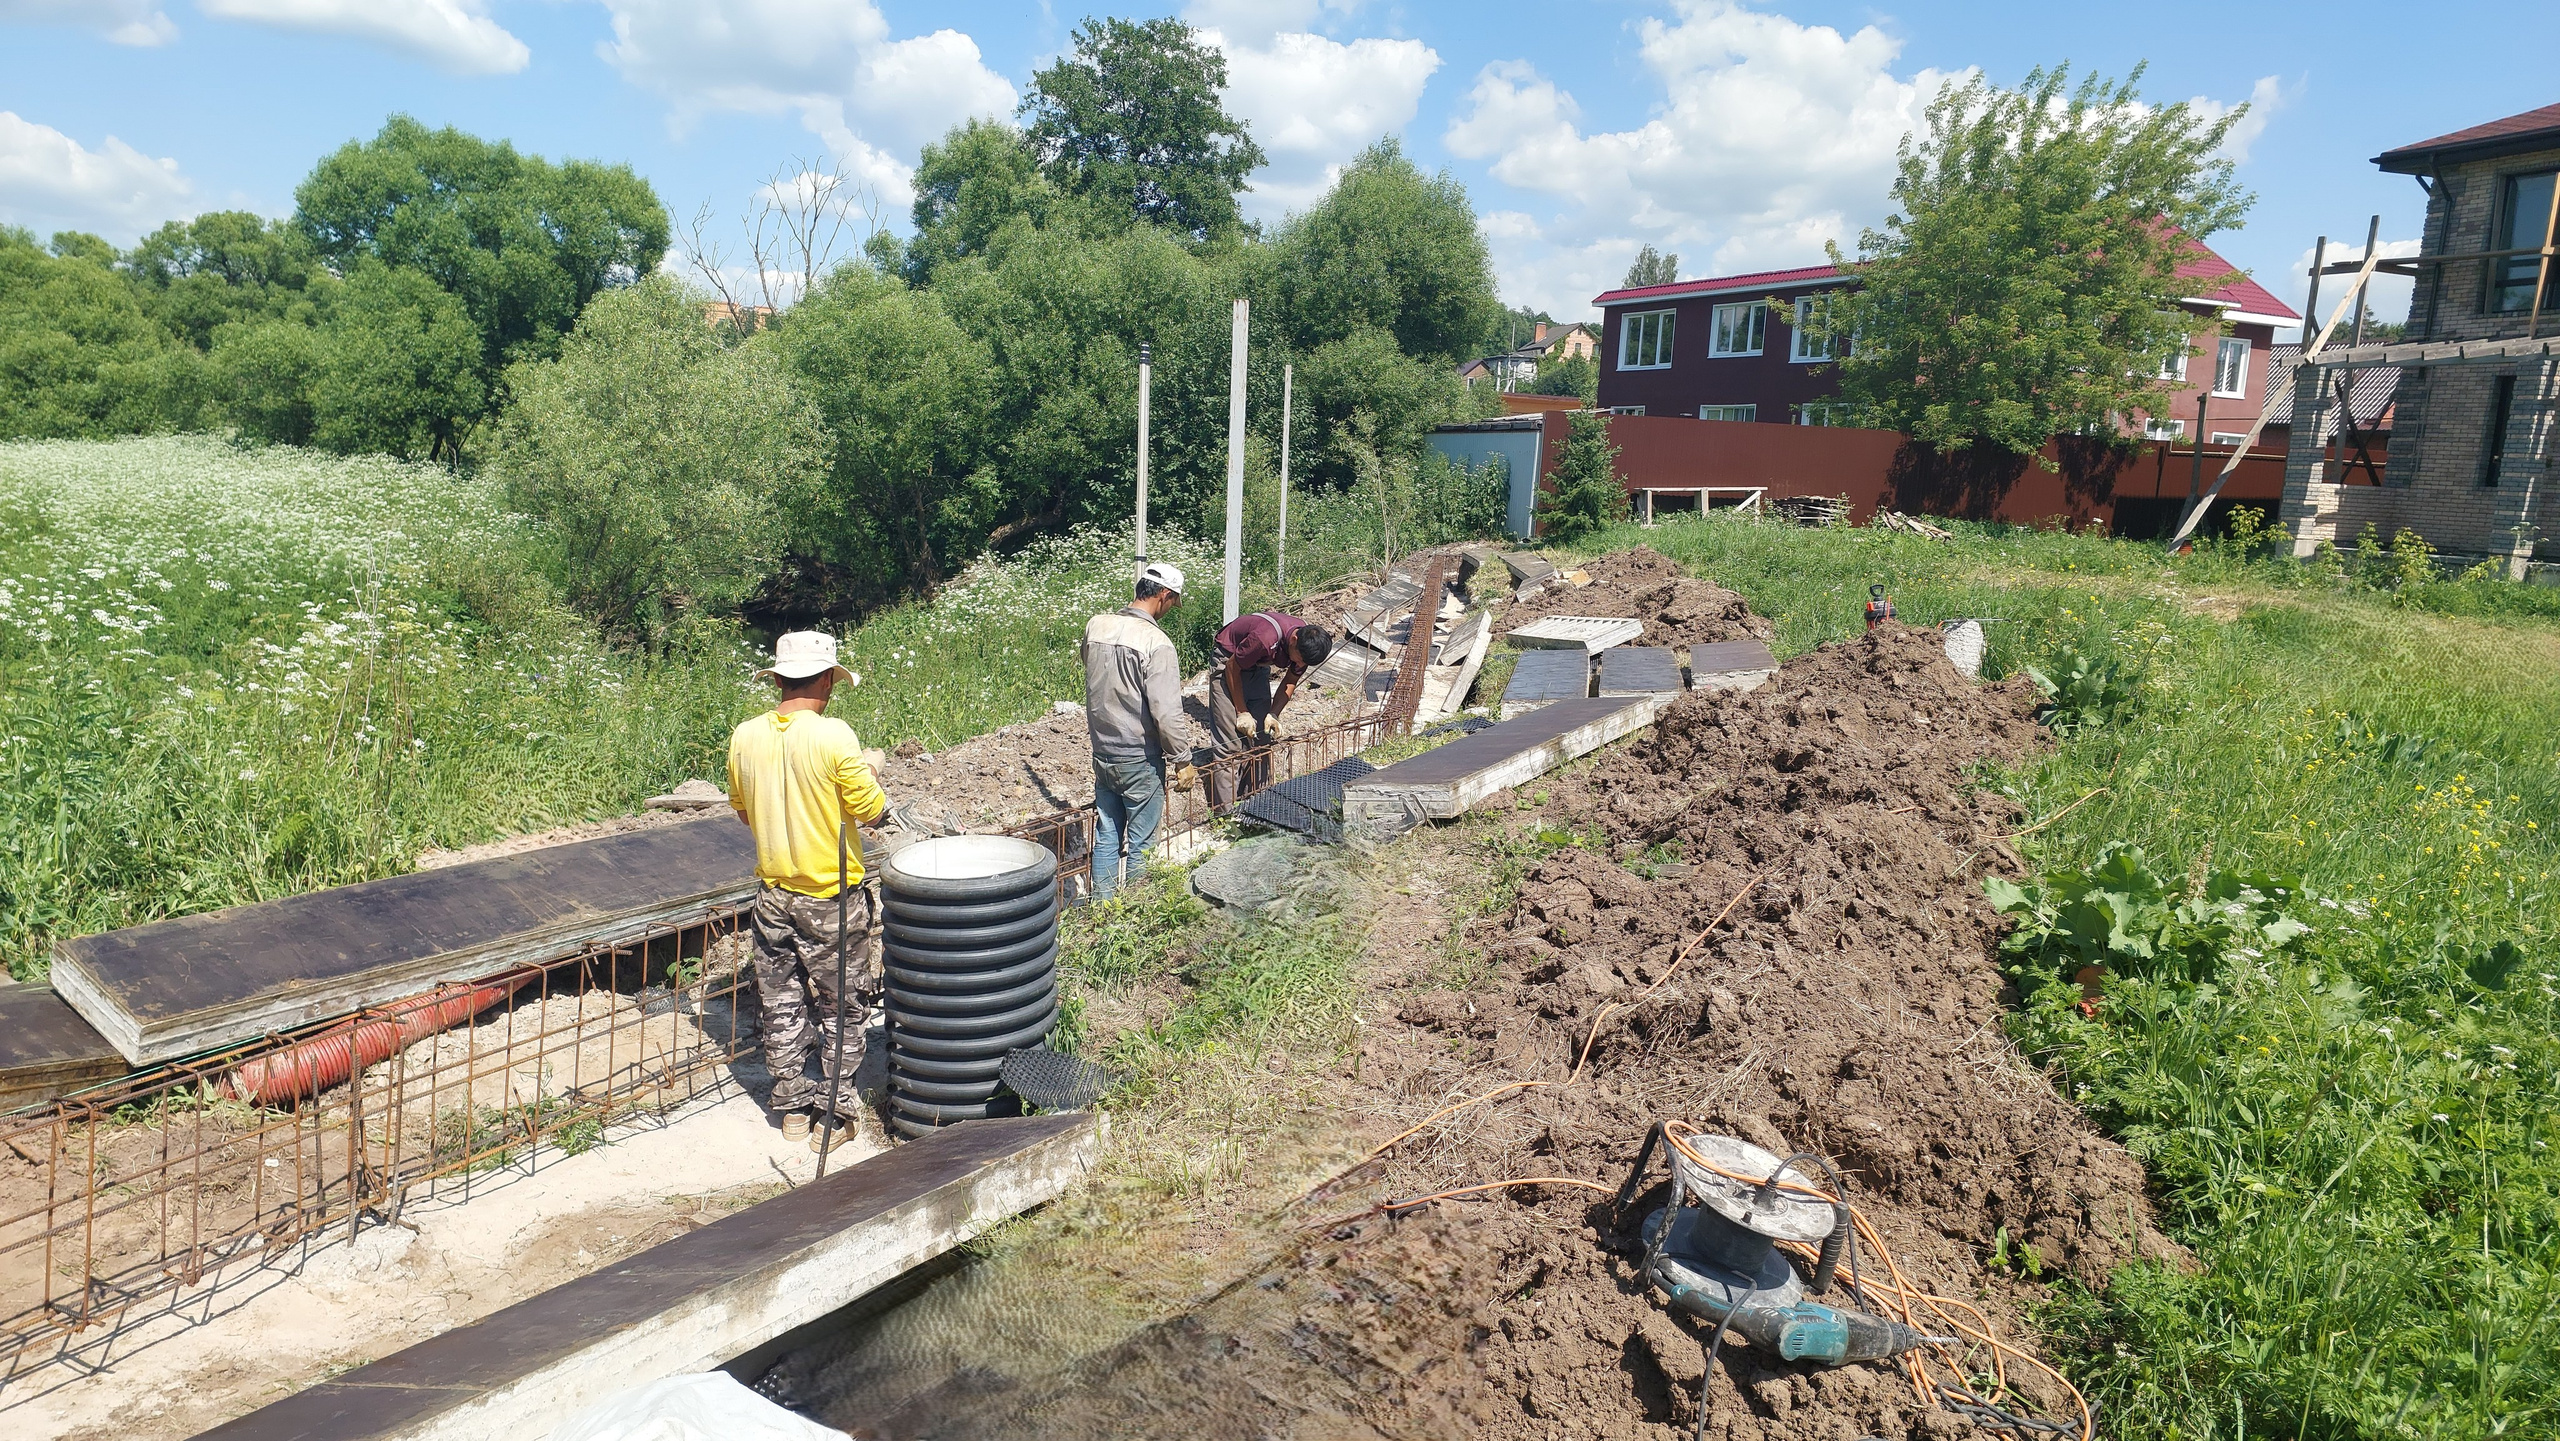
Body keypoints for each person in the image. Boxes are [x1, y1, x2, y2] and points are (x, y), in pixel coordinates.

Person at [727, 630, 888, 1152]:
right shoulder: (833, 735)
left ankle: (791, 1108)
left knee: (780, 1001)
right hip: (830, 898)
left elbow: (743, 807)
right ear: (825, 679)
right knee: (843, 1004)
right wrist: (871, 773)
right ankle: (833, 1115)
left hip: (772, 896)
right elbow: (871, 810)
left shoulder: (745, 737)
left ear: (775, 679)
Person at [1080, 562, 1191, 902]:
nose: (1171, 609)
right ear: (1164, 595)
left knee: (1107, 836)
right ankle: (1136, 914)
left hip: (1103, 752)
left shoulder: (1096, 626)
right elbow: (1167, 711)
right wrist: (1182, 758)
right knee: (1143, 844)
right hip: (1139, 759)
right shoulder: (1156, 642)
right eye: (1173, 602)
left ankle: (1102, 912)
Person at [1206, 611, 1334, 808]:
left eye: (1304, 663)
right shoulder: (1265, 638)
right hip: (1229, 662)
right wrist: (1242, 711)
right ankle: (1227, 815)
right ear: (1293, 639)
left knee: (1262, 739)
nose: (1299, 665)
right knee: (1229, 745)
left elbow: (1291, 680)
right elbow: (1233, 668)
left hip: (1258, 664)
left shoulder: (1307, 647)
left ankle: (1259, 806)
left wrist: (1274, 713)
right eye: (1298, 659)